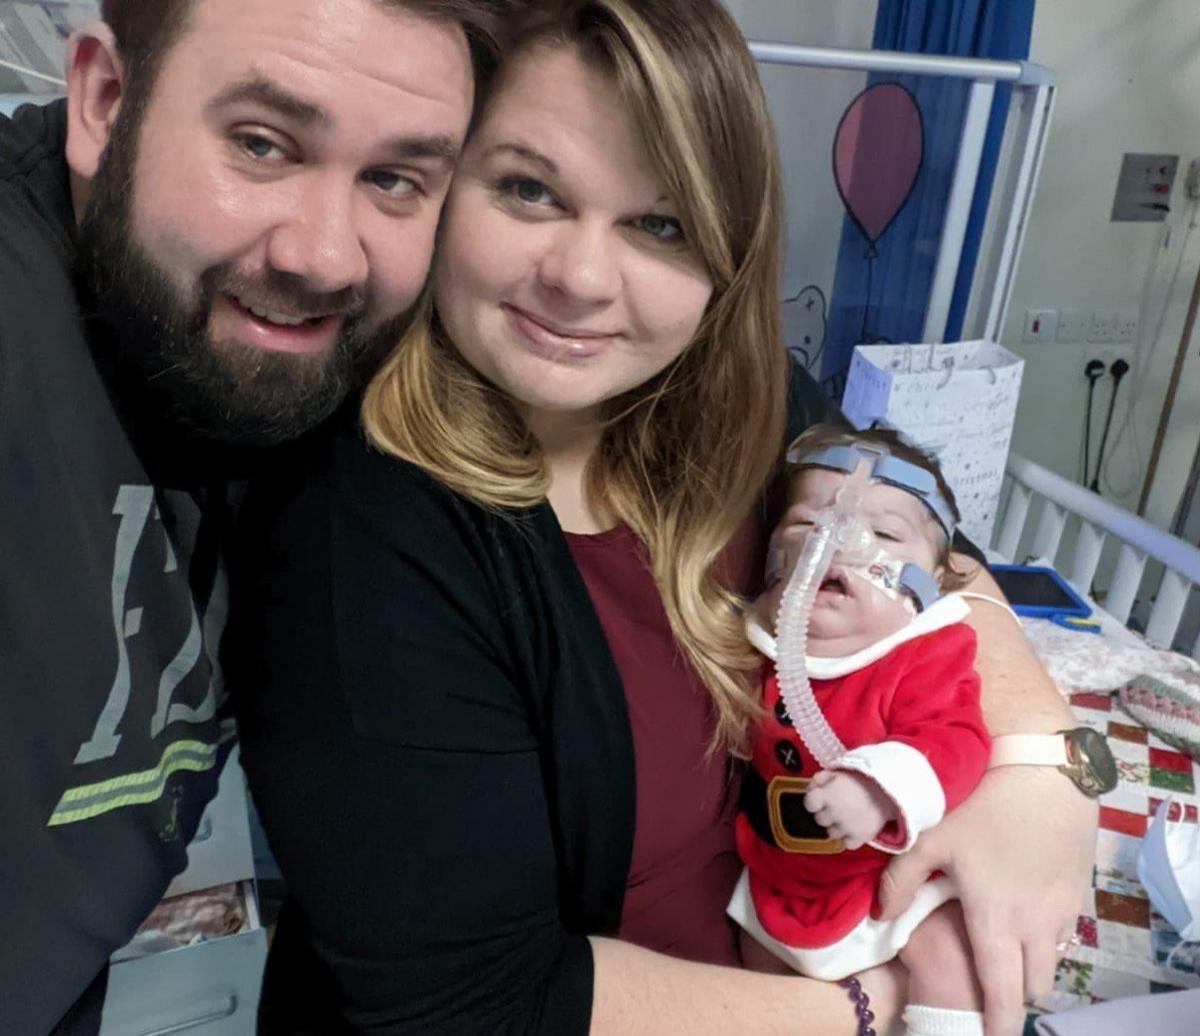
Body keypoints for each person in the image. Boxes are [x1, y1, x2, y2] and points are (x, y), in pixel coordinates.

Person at [227, 2, 1102, 1035]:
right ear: (442, 184)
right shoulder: (361, 537)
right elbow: (477, 1004)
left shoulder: (747, 404)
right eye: (528, 189)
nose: (581, 279)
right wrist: (885, 1004)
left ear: (724, 258)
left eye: (660, 223)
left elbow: (940, 561)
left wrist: (1040, 771)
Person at [0, 0, 500, 1031]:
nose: (326, 257)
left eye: (394, 179)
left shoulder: (352, 340)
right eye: (263, 145)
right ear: (101, 99)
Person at [729, 424, 992, 1036]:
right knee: (758, 968)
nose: (838, 541)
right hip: (779, 868)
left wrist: (879, 788)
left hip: (887, 876)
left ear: (933, 583)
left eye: (883, 534)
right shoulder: (753, 648)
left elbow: (957, 740)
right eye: (805, 526)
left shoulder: (923, 655)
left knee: (949, 952)